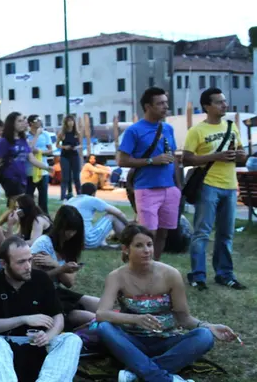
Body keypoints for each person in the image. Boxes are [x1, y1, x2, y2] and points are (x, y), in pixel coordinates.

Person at [95, 225, 240, 382]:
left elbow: (184, 318)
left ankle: (137, 373)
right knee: (104, 328)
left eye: (149, 244)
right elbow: (101, 314)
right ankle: (164, 378)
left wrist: (209, 326)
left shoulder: (170, 274)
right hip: (132, 343)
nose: (147, 250)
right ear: (125, 249)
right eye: (139, 245)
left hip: (166, 341)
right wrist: (135, 319)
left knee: (204, 336)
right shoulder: (116, 277)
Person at [0, 236, 83, 382]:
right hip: (6, 342)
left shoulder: (41, 279)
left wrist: (48, 335)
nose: (28, 266)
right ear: (3, 263)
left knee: (71, 339)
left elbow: (58, 318)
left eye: (29, 260)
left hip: (39, 342)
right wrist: (23, 319)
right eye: (21, 262)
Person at [182, 88, 248, 291]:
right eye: (219, 102)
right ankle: (198, 275)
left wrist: (239, 155)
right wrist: (214, 157)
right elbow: (187, 158)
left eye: (224, 101)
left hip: (229, 186)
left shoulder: (231, 126)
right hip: (208, 185)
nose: (224, 105)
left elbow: (242, 155)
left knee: (226, 234)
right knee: (202, 232)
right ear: (207, 106)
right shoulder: (197, 131)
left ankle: (225, 274)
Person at [117, 87, 181, 261]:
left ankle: (154, 267)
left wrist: (177, 186)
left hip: (169, 188)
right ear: (148, 106)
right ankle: (135, 266)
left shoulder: (168, 128)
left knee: (163, 233)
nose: (165, 107)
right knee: (147, 235)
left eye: (166, 103)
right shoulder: (134, 130)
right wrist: (153, 161)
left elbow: (173, 157)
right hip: (146, 188)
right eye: (160, 103)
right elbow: (122, 160)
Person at [30, 205, 100, 329]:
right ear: (59, 226)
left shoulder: (71, 246)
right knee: (92, 318)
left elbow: (69, 282)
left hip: (59, 292)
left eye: (74, 230)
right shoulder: (43, 244)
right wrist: (61, 269)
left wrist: (55, 264)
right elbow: (33, 280)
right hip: (41, 296)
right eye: (68, 229)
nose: (71, 234)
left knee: (102, 305)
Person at [0, 112, 51, 199]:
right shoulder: (4, 141)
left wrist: (47, 167)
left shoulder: (23, 140)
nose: (23, 123)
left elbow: (32, 159)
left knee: (15, 208)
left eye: (23, 120)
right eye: (19, 121)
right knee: (21, 204)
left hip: (22, 178)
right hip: (10, 177)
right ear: (12, 124)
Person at [67, 182, 129, 249]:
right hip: (87, 241)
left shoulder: (71, 200)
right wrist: (128, 225)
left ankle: (103, 243)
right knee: (112, 216)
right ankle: (128, 242)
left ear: (80, 191)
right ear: (94, 193)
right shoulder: (91, 199)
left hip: (72, 241)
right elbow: (119, 213)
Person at [26, 115, 53, 213]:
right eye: (37, 120)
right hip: (29, 171)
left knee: (43, 199)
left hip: (43, 171)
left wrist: (40, 151)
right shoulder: (26, 136)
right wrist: (36, 135)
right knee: (28, 198)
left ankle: (45, 218)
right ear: (31, 123)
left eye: (40, 120)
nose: (39, 122)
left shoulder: (45, 134)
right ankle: (29, 217)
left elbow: (50, 150)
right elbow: (30, 149)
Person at [57, 115, 83, 200]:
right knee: (65, 177)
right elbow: (57, 145)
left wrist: (76, 147)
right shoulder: (62, 133)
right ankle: (62, 196)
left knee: (76, 176)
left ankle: (79, 194)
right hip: (65, 156)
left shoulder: (77, 133)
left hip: (74, 155)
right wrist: (64, 147)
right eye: (69, 121)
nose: (71, 123)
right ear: (66, 123)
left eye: (72, 121)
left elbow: (80, 144)